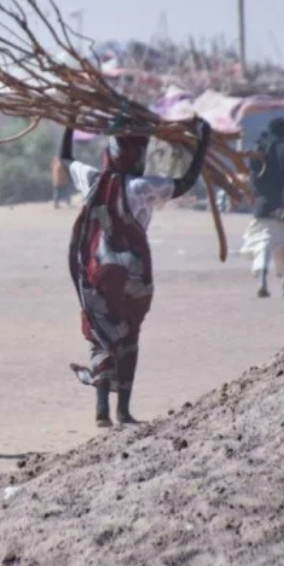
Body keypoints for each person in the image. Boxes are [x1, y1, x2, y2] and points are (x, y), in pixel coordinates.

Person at [60, 119, 211, 428]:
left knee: (100, 336)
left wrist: (69, 125)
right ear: (138, 157)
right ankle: (123, 411)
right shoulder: (143, 186)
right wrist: (202, 144)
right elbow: (186, 182)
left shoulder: (93, 179)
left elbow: (64, 160)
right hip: (135, 272)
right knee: (130, 336)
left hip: (98, 271)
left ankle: (102, 410)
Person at [244, 118, 284, 298]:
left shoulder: (260, 150)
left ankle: (262, 282)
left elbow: (254, 177)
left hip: (263, 206)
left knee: (263, 243)